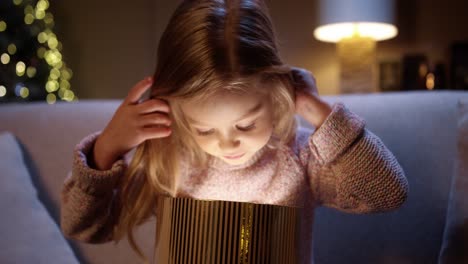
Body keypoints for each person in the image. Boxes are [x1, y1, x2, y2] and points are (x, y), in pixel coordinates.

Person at [60, 0, 409, 263]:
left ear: (276, 97)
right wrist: (105, 149)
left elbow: (387, 193)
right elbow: (84, 228)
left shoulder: (300, 159)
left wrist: (317, 109)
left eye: (246, 124)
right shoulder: (169, 165)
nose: (228, 142)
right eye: (204, 129)